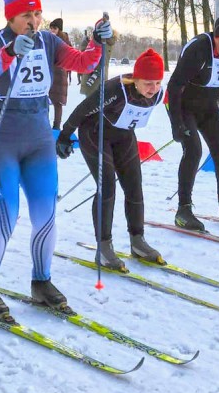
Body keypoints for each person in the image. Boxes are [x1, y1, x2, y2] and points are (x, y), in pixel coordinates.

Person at [0, 0, 110, 317]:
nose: (33, 21)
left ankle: (41, 281)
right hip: (0, 138)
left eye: (37, 14)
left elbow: (82, 63)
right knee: (6, 218)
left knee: (45, 216)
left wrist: (98, 40)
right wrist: (10, 52)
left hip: (37, 136)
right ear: (11, 17)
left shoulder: (49, 41)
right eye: (26, 15)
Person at [56, 49, 166, 271]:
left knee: (134, 186)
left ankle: (138, 241)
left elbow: (174, 104)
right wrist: (65, 135)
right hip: (95, 134)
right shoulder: (116, 89)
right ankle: (104, 248)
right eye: (147, 83)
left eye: (156, 83)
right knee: (106, 187)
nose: (152, 89)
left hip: (124, 136)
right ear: (136, 79)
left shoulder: (158, 93)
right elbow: (83, 109)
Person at [167, 14, 219, 231]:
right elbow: (174, 87)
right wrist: (176, 124)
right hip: (184, 107)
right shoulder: (199, 49)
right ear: (217, 38)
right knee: (193, 150)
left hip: (209, 107)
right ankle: (183, 209)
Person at [48, 18, 71, 130]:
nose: (52, 30)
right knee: (45, 100)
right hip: (49, 72)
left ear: (59, 29)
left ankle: (56, 126)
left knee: (58, 102)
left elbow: (70, 55)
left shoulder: (64, 41)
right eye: (51, 28)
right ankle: (44, 124)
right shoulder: (48, 39)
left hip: (60, 74)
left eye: (55, 28)